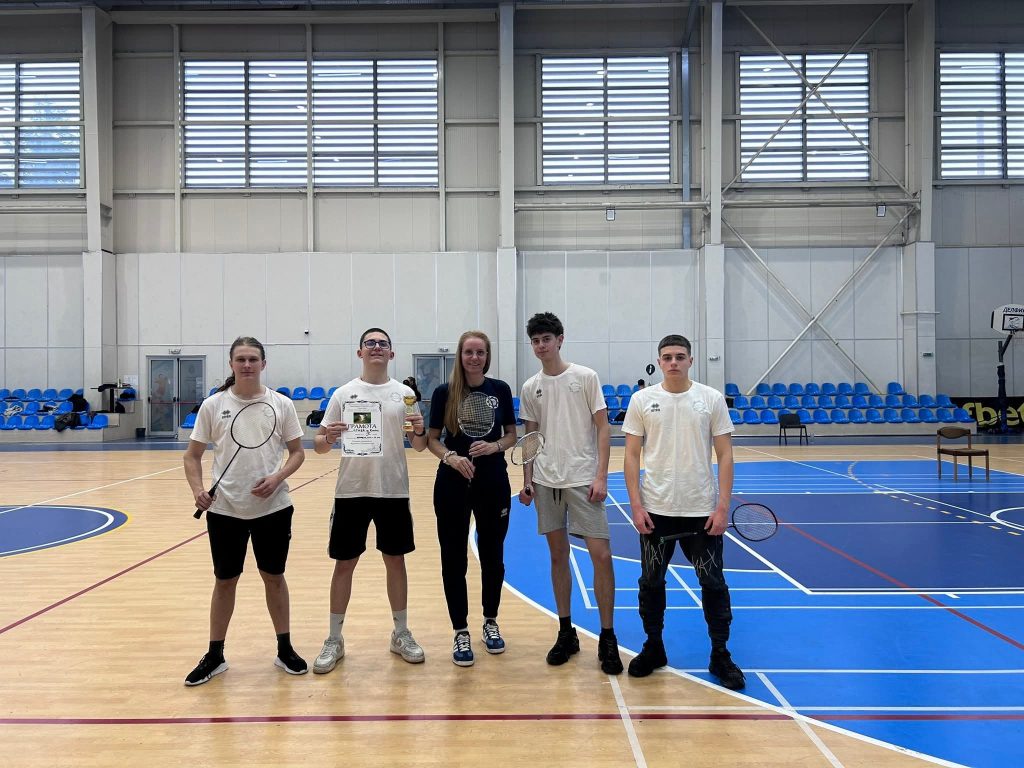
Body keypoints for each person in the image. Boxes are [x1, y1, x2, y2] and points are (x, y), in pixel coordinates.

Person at [621, 334, 745, 690]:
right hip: (655, 511)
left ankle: (720, 653)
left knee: (713, 583)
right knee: (651, 582)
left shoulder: (710, 399)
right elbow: (631, 455)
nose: (673, 362)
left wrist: (722, 506)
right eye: (667, 357)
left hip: (701, 511)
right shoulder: (642, 400)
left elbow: (725, 454)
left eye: (679, 356)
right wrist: (636, 505)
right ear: (659, 362)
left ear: (690, 360)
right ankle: (654, 647)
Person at [182, 336, 307, 686]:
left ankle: (284, 649)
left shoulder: (281, 404)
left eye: (253, 359)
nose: (247, 365)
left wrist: (278, 477)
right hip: (225, 511)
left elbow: (298, 452)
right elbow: (192, 456)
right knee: (225, 581)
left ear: (263, 364)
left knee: (274, 577)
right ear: (232, 364)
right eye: (241, 359)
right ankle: (215, 655)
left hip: (273, 509)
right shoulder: (213, 405)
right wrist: (197, 490)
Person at [312, 328, 429, 673]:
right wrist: (328, 438)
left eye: (383, 344)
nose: (376, 347)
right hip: (351, 491)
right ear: (360, 352)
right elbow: (319, 445)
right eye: (370, 343)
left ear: (391, 354)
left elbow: (419, 446)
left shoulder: (405, 395)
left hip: (392, 490)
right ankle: (334, 638)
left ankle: (400, 633)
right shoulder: (343, 394)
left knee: (396, 561)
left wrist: (419, 430)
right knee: (344, 564)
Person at [518, 312, 623, 675]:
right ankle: (566, 633)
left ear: (560, 339)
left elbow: (603, 428)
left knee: (602, 556)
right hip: (547, 482)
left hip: (582, 480)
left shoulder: (585, 377)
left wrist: (601, 476)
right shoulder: (530, 387)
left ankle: (607, 637)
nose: (541, 346)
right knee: (558, 556)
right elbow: (530, 437)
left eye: (546, 339)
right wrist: (527, 479)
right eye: (535, 341)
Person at [427, 331, 517, 667]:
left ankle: (490, 621)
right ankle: (460, 630)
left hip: (493, 482)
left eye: (480, 352)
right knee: (453, 560)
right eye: (469, 352)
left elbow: (511, 435)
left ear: (487, 356)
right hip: (452, 483)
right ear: (460, 355)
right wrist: (451, 457)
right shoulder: (444, 392)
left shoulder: (500, 390)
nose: (475, 358)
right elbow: (432, 440)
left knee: (494, 556)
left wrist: (494, 447)